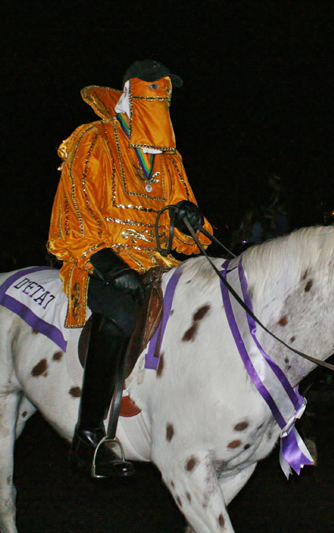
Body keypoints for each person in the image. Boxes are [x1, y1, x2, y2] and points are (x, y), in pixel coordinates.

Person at [48, 60, 212, 478]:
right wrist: (105, 262)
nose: (159, 105)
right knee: (120, 313)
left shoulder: (166, 155)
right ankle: (89, 437)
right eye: (150, 96)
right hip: (97, 262)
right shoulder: (94, 140)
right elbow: (74, 211)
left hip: (155, 264)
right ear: (128, 95)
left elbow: (187, 232)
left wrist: (187, 219)